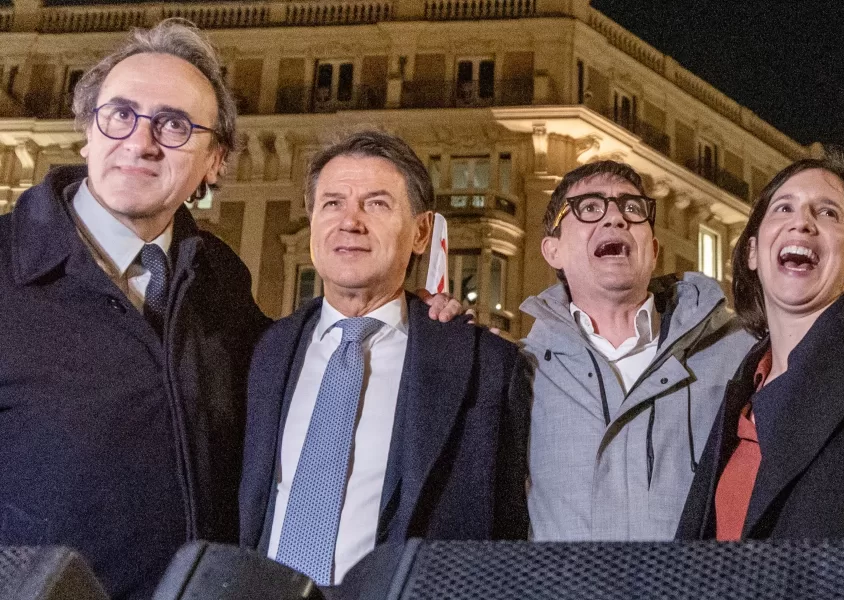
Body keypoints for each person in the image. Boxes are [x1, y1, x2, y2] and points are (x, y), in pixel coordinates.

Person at [0, 20, 270, 599]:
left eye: (174, 125)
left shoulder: (221, 280)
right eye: (120, 114)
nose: (141, 142)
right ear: (87, 135)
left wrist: (396, 317)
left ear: (215, 161)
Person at [238, 130, 530, 586]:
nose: (349, 222)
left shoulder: (486, 367)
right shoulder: (262, 352)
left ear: (421, 232)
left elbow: (508, 530)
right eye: (332, 203)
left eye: (376, 204)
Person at [523, 160, 754, 541]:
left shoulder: (740, 352)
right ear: (553, 251)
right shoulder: (519, 369)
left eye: (632, 208)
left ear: (654, 249)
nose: (615, 219)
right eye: (590, 208)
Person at [677, 152, 844, 540]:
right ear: (751, 253)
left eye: (828, 213)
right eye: (784, 208)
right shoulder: (744, 384)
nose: (802, 222)